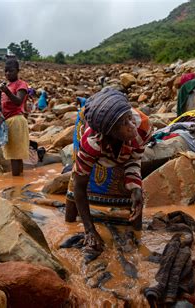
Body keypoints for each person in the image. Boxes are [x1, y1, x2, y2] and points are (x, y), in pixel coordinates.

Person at [65, 88, 153, 255]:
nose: (131, 125)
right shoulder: (91, 143)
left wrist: (135, 188)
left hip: (119, 149)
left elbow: (134, 160)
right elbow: (79, 185)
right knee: (74, 186)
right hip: (97, 148)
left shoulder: (142, 126)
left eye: (129, 118)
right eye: (124, 123)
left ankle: (137, 238)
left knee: (134, 197)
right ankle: (72, 222)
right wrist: (90, 230)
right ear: (110, 132)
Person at [0, 59, 30, 176]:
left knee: (15, 155)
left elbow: (18, 101)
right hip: (8, 121)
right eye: (6, 71)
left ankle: (16, 185)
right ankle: (19, 183)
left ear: (17, 71)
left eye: (11, 71)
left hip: (16, 120)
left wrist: (6, 91)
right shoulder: (7, 85)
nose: (7, 74)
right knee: (14, 154)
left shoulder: (20, 84)